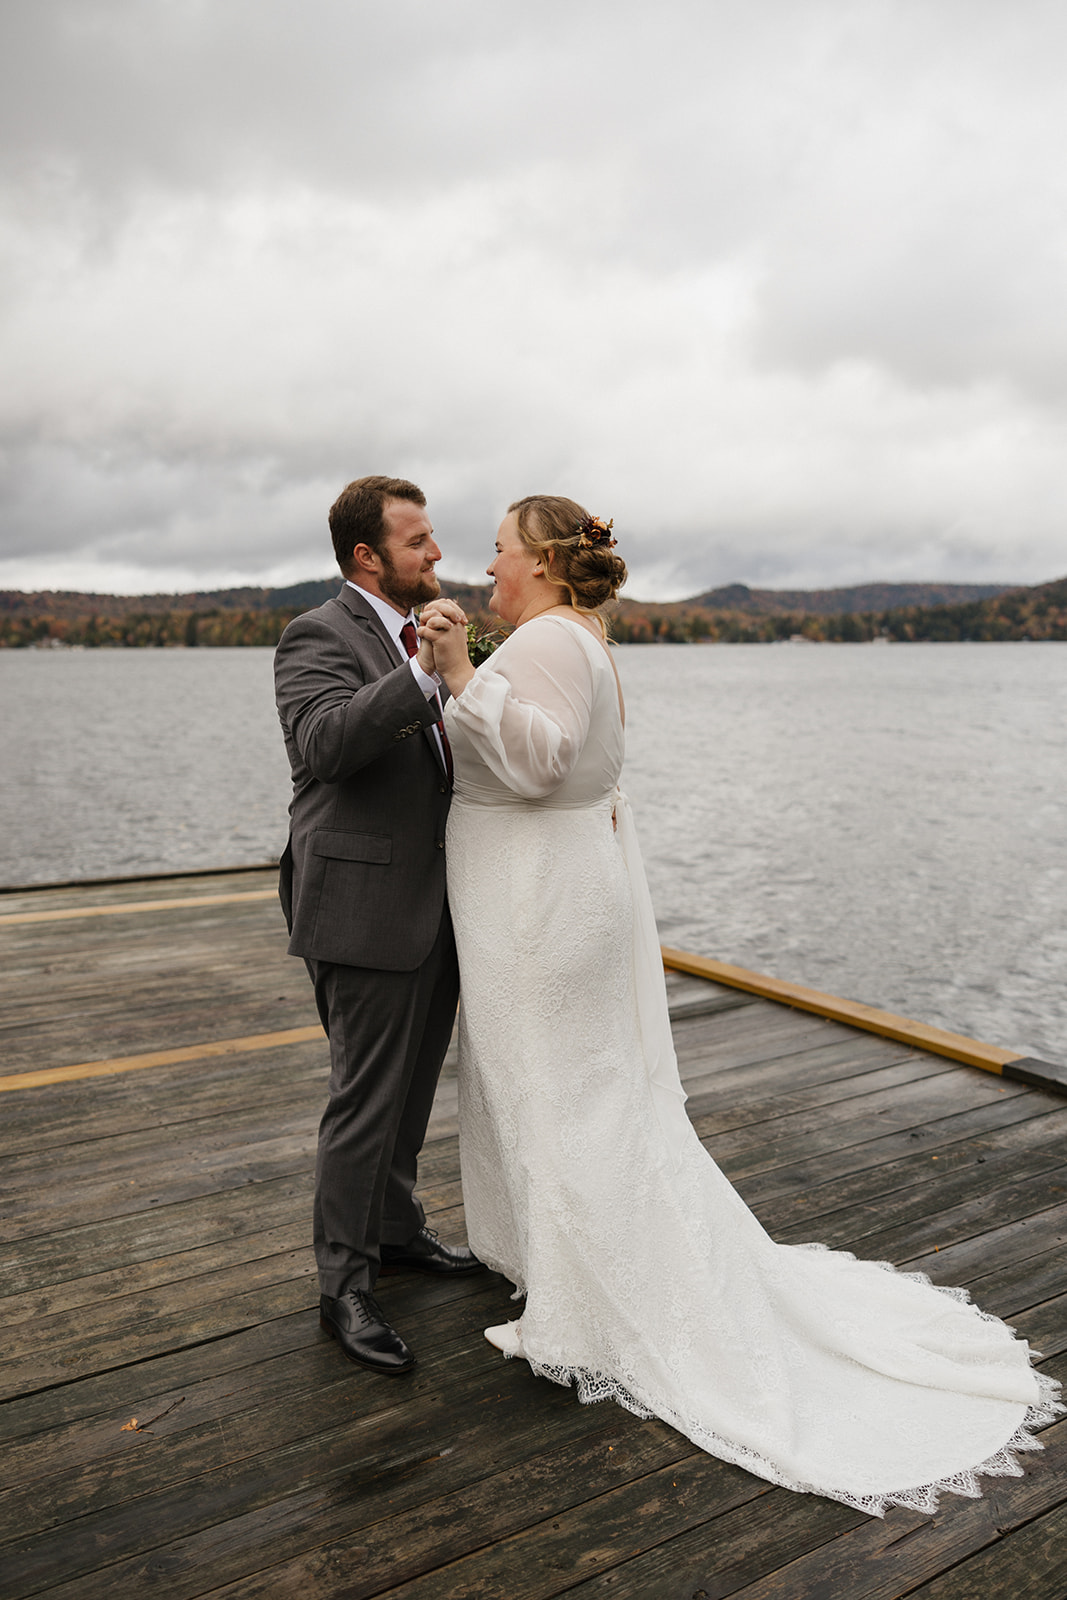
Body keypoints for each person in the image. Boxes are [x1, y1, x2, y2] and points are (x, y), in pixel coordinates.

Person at [415, 493, 1062, 1515]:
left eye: (498, 552)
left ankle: (588, 1302)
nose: (486, 569)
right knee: (576, 1086)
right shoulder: (571, 633)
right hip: (549, 887)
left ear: (538, 563)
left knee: (553, 1088)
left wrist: (457, 676)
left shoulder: (543, 639)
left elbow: (536, 768)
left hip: (533, 901)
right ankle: (575, 1267)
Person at [274, 474, 482, 1379]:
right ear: (368, 556)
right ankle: (344, 1286)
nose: (437, 555)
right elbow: (323, 744)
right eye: (419, 542)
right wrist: (419, 674)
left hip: (438, 902)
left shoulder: (424, 631)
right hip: (361, 905)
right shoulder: (317, 634)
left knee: (410, 1091)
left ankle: (396, 1234)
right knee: (364, 1099)